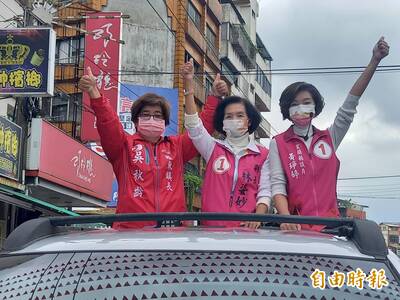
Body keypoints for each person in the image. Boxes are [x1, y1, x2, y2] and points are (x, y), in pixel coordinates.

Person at [78, 66, 228, 228]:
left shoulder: (177, 146)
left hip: (172, 233)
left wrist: (214, 97)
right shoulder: (122, 147)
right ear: (135, 121)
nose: (152, 119)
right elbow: (108, 124)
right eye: (145, 114)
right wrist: (94, 92)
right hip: (130, 233)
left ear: (164, 122)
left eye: (157, 115)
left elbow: (201, 129)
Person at [268, 37, 390, 231]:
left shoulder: (329, 137)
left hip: (331, 228)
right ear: (286, 110)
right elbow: (277, 184)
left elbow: (350, 105)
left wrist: (374, 61)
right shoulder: (277, 143)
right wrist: (286, 219)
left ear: (315, 107)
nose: (301, 107)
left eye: (306, 102)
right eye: (294, 104)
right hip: (296, 229)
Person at [181, 59, 271, 228]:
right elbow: (194, 126)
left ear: (249, 120)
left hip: (246, 232)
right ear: (222, 123)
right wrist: (188, 84)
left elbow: (265, 190)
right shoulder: (213, 147)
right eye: (228, 117)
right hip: (211, 233)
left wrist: (257, 218)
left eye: (240, 115)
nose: (234, 120)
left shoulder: (263, 154)